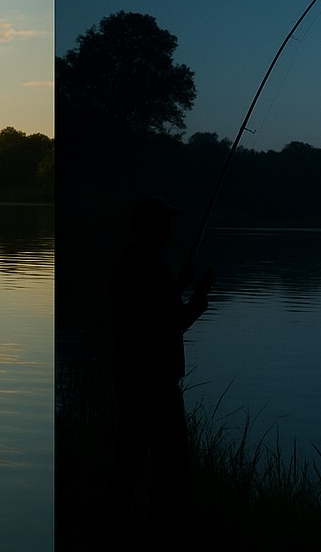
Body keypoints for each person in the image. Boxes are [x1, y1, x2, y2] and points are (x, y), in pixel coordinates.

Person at [105, 196, 215, 544]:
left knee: (129, 463)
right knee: (173, 464)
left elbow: (151, 310)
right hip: (153, 382)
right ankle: (158, 534)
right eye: (166, 222)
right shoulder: (148, 266)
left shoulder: (133, 261)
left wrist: (178, 285)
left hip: (132, 377)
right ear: (151, 226)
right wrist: (197, 303)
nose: (171, 227)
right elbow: (168, 324)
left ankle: (114, 532)